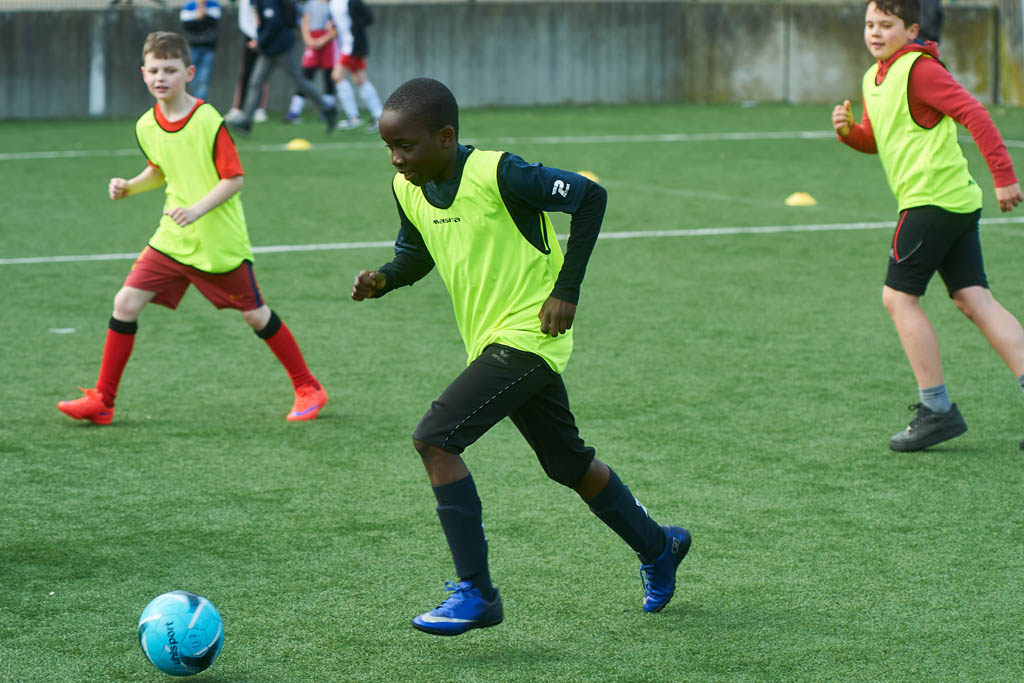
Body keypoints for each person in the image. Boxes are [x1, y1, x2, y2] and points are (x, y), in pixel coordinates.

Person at [351, 78, 691, 636]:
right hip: (491, 341)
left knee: (435, 439)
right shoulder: (407, 187)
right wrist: (384, 279)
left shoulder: (500, 173)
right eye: (389, 147)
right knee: (567, 464)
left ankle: (477, 593)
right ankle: (659, 546)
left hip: (531, 335)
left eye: (406, 146)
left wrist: (567, 290)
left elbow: (590, 197)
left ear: (445, 137)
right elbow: (415, 253)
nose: (396, 158)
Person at [57, 32, 328, 426]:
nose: (160, 77)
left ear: (188, 73)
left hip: (218, 242)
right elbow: (159, 170)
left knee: (255, 315)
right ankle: (103, 401)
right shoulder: (146, 125)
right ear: (143, 73)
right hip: (172, 237)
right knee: (125, 303)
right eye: (154, 70)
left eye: (170, 70)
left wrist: (196, 210)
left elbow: (233, 179)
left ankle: (308, 387)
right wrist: (129, 186)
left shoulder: (208, 121)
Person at [831, 0, 1024, 451]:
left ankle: (936, 410)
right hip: (951, 201)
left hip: (931, 202)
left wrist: (1004, 176)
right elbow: (878, 139)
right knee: (974, 299)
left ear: (912, 29)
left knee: (898, 298)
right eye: (869, 24)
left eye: (887, 24)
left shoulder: (919, 69)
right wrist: (849, 132)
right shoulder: (873, 77)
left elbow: (975, 113)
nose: (875, 32)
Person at [225, 0, 339, 135]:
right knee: (257, 82)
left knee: (298, 80)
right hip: (270, 48)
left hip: (280, 47)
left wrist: (260, 42)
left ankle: (328, 109)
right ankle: (246, 121)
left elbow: (273, 22)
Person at [328, 0, 383, 131]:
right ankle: (377, 116)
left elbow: (368, 17)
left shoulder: (352, 1)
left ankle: (355, 117)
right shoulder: (332, 3)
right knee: (359, 80)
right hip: (344, 46)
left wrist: (353, 28)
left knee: (337, 76)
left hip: (352, 46)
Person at [284, 0, 338, 124]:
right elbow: (305, 23)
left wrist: (323, 40)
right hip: (312, 39)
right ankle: (294, 111)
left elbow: (337, 27)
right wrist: (309, 40)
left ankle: (327, 110)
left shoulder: (334, 5)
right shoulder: (310, 4)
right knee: (306, 76)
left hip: (328, 42)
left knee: (329, 77)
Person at [227, 0, 269, 124]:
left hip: (265, 37)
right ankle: (239, 108)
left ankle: (260, 109)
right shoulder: (245, 2)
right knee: (246, 73)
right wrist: (255, 37)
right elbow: (244, 21)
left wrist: (261, 38)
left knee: (263, 74)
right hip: (251, 38)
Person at [179, 0, 221, 102]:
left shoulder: (214, 5)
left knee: (204, 79)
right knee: (191, 78)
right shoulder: (188, 6)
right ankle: (193, 102)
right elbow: (187, 26)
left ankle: (200, 104)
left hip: (208, 49)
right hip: (192, 48)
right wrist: (198, 15)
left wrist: (202, 12)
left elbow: (212, 23)